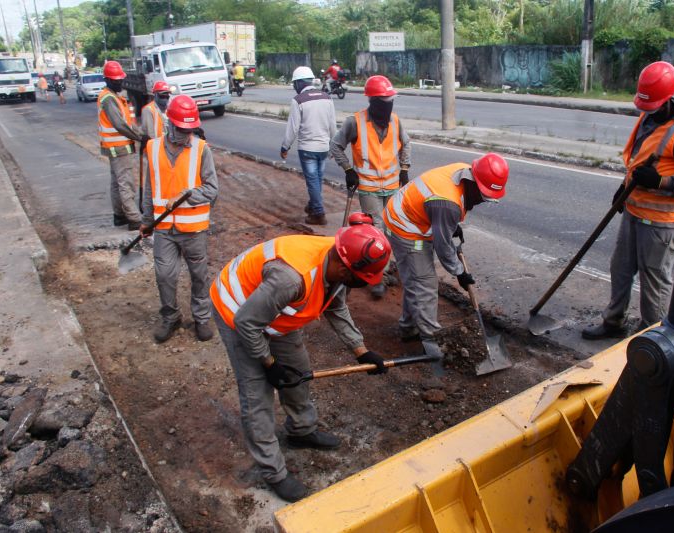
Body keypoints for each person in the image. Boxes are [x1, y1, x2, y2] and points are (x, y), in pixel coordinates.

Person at [209, 224, 392, 503]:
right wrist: (269, 363)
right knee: (257, 395)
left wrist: (361, 350)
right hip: (237, 311)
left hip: (275, 311)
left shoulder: (339, 257)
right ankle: (273, 472)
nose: (366, 284)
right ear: (345, 269)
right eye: (363, 279)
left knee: (298, 373)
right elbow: (247, 323)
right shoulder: (291, 279)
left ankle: (301, 431)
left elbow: (335, 305)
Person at [582, 61, 674, 340]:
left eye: (654, 106)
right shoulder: (651, 115)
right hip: (634, 212)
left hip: (662, 224)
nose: (648, 111)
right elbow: (640, 160)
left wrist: (659, 182)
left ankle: (654, 339)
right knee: (620, 269)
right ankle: (613, 323)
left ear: (672, 99)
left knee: (654, 283)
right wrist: (623, 187)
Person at [382, 154, 509, 346]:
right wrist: (460, 272)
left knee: (416, 280)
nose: (483, 201)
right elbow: (443, 246)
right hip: (405, 227)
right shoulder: (447, 203)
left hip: (412, 213)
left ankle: (409, 328)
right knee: (425, 285)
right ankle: (432, 341)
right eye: (484, 196)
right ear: (474, 182)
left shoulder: (464, 171)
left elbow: (440, 211)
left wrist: (449, 225)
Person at [140, 95, 218, 343]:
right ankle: (170, 317)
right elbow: (149, 189)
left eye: (189, 129)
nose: (186, 134)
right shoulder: (153, 148)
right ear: (170, 124)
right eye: (182, 129)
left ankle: (202, 318)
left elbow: (212, 189)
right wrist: (146, 220)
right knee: (164, 276)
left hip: (194, 229)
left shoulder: (201, 149)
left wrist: (187, 195)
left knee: (199, 276)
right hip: (163, 228)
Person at [330, 74, 411, 299]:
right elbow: (335, 146)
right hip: (369, 187)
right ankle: (378, 278)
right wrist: (348, 169)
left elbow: (407, 143)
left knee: (392, 229)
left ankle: (385, 266)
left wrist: (404, 168)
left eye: (390, 102)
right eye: (384, 103)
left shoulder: (395, 121)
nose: (388, 107)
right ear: (372, 102)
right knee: (377, 231)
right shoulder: (355, 122)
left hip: (392, 185)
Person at [280, 66, 336, 225]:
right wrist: (334, 145)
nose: (294, 87)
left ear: (299, 83)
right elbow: (332, 125)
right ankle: (312, 205)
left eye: (294, 84)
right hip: (323, 147)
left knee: (312, 180)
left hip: (307, 149)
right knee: (317, 179)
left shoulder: (298, 100)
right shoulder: (327, 97)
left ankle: (318, 213)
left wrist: (285, 147)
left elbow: (292, 128)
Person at [98, 60, 146, 230]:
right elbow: (120, 125)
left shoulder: (114, 97)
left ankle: (119, 215)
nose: (120, 83)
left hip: (115, 147)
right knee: (126, 183)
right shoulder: (109, 99)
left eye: (121, 80)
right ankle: (134, 218)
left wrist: (140, 135)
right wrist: (140, 137)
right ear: (107, 80)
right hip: (119, 148)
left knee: (117, 182)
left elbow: (127, 122)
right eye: (116, 81)